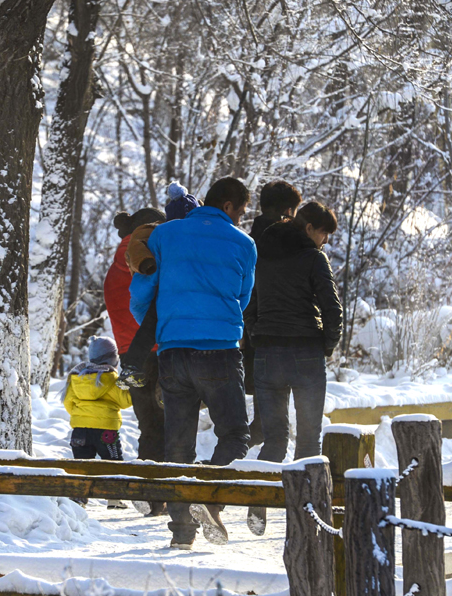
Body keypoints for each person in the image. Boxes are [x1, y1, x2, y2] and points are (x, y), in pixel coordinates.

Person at [130, 176, 257, 550]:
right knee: (235, 435)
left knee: (178, 445)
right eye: (242, 211)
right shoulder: (243, 244)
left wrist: (162, 325)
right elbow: (243, 297)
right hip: (219, 349)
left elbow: (143, 288)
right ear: (231, 207)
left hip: (173, 350)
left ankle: (182, 533)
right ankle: (210, 494)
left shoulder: (166, 235)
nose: (240, 218)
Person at [243, 201, 343, 535]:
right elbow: (332, 307)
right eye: (323, 233)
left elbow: (249, 306)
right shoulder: (314, 258)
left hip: (268, 353)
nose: (325, 241)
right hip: (305, 354)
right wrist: (326, 345)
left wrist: (259, 337)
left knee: (274, 439)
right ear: (310, 228)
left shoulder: (263, 256)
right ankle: (305, 518)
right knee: (309, 442)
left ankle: (259, 503)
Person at [103, 207, 168, 516]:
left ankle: (150, 494)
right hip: (159, 349)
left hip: (130, 354)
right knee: (171, 424)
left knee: (149, 426)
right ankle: (167, 495)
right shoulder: (149, 257)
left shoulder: (116, 266)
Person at [118, 182, 200, 388]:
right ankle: (134, 367)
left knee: (154, 328)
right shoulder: (157, 233)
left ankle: (144, 373)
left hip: (171, 294)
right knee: (154, 327)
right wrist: (147, 264)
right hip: (168, 293)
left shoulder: (189, 236)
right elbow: (137, 248)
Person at [244, 181, 304, 448]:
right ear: (288, 211)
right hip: (280, 330)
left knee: (263, 401)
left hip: (251, 329)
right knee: (275, 413)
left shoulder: (246, 239)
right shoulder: (288, 241)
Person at [63, 336, 133, 510]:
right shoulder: (111, 378)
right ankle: (114, 499)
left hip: (80, 430)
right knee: (113, 462)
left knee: (81, 464)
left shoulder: (77, 377)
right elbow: (125, 402)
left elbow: (68, 402)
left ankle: (79, 498)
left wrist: (82, 416)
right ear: (112, 358)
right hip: (106, 431)